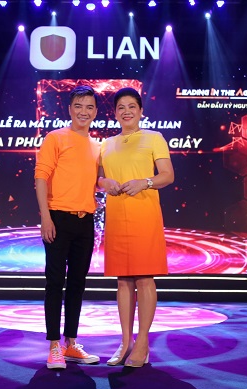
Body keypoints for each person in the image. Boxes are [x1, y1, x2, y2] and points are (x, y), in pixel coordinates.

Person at [97, 87, 174, 368]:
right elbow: (99, 179)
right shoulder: (106, 144)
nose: (126, 111)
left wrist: (145, 182)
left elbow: (167, 175)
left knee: (144, 278)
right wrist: (105, 183)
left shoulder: (154, 137)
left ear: (141, 111)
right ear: (115, 113)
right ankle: (125, 341)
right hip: (117, 215)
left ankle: (142, 343)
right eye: (121, 107)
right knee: (123, 280)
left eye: (132, 106)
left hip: (144, 213)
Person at [35, 85, 101, 369]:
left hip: (85, 221)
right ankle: (53, 346)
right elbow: (41, 177)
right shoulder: (55, 137)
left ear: (95, 112)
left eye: (89, 107)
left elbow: (96, 181)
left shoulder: (98, 146)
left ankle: (70, 343)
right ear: (70, 109)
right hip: (58, 218)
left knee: (77, 283)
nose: (84, 112)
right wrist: (45, 217)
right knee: (55, 282)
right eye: (78, 106)